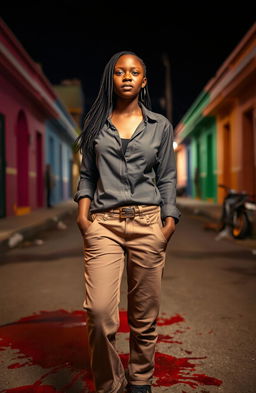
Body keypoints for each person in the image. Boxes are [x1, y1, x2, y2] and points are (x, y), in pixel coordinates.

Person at [73, 50, 181, 393]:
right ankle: (110, 385)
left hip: (149, 223)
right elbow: (88, 175)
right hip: (103, 225)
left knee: (143, 315)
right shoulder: (95, 125)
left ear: (144, 80)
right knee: (100, 313)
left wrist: (169, 221)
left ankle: (139, 380)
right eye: (121, 72)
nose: (128, 77)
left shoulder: (159, 126)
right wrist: (83, 216)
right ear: (112, 78)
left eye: (135, 72)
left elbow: (166, 178)